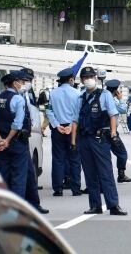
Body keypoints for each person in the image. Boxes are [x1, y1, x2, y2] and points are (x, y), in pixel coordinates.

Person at [72, 67, 127, 216]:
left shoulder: (105, 95)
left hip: (100, 138)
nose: (88, 79)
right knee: (90, 173)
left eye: (91, 76)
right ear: (82, 80)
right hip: (84, 139)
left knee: (106, 172)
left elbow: (113, 115)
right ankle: (95, 205)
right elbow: (75, 121)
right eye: (85, 77)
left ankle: (113, 205)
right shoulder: (80, 97)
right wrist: (73, 141)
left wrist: (114, 133)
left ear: (95, 78)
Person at [0, 72, 32, 202]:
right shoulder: (18, 99)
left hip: (0, 145)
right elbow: (17, 124)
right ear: (15, 83)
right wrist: (7, 140)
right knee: (18, 178)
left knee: (3, 175)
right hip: (16, 143)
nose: (24, 84)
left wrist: (0, 140)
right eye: (22, 81)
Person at [48, 68, 84, 196]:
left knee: (58, 158)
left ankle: (58, 189)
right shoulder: (77, 93)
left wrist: (57, 125)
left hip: (58, 130)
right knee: (74, 158)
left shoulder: (52, 93)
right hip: (72, 128)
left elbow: (49, 111)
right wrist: (70, 125)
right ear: (70, 80)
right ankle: (75, 189)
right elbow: (79, 113)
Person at [18, 69, 48, 214]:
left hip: (25, 137)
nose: (27, 83)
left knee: (30, 173)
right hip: (16, 140)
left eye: (29, 80)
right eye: (24, 81)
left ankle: (34, 205)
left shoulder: (26, 95)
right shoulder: (15, 98)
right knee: (20, 175)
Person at [104, 80, 131, 183]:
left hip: (100, 130)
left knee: (102, 155)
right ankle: (121, 175)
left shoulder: (101, 96)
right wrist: (121, 99)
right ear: (116, 91)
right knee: (122, 153)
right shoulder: (111, 100)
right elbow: (123, 110)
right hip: (110, 131)